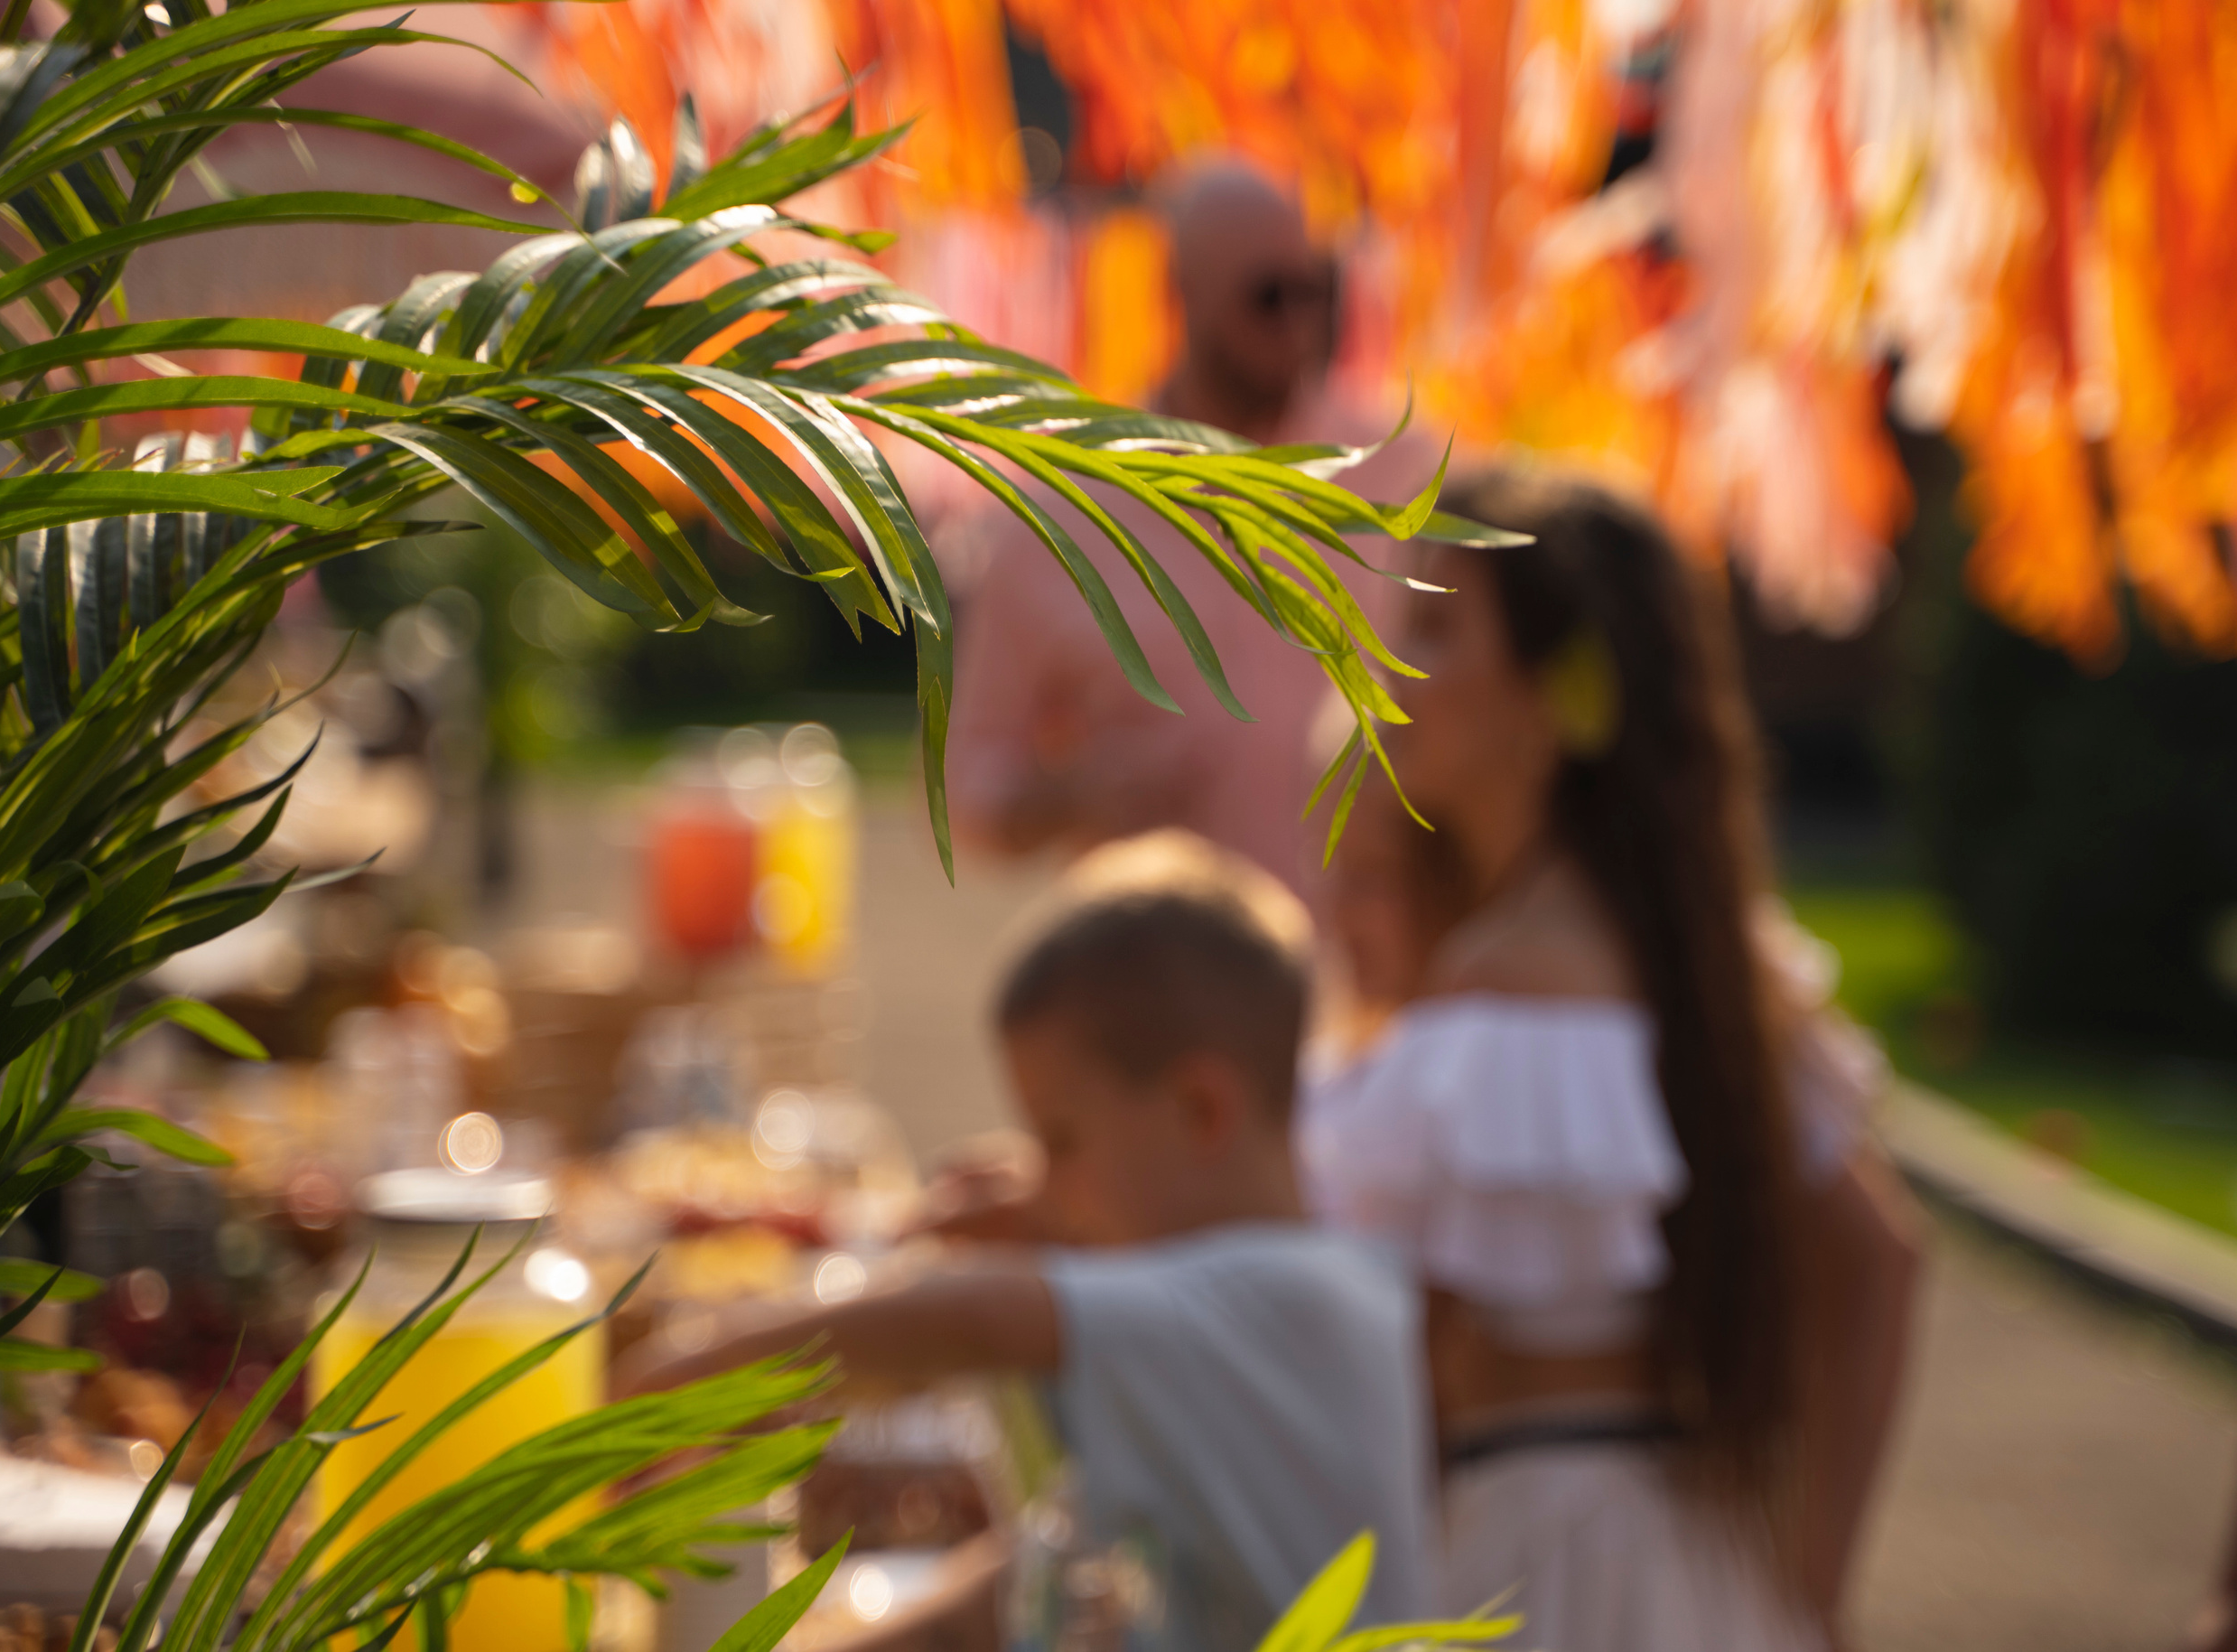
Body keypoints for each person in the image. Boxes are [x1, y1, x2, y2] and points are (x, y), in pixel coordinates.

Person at [1296, 470, 1925, 1650]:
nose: (1393, 670)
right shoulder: (1694, 957)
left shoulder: (1509, 983)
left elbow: (1392, 1344)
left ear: (1555, 693)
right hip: (1691, 1547)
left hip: (1535, 1551)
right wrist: (1814, 1583)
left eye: (1438, 626)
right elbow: (1882, 1257)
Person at [627, 832, 1436, 1652]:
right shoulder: (1197, 1352)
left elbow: (983, 1317)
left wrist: (690, 1373)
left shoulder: (1305, 1302)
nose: (1044, 1188)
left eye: (1061, 1139)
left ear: (1202, 1110)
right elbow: (1023, 1584)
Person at [946, 161, 1440, 894]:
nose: (1299, 325)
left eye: (1317, 292)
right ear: (1181, 294)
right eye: (1267, 297)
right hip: (1160, 982)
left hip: (1363, 982)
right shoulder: (1064, 514)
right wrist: (1072, 799)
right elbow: (970, 796)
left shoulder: (1399, 475)